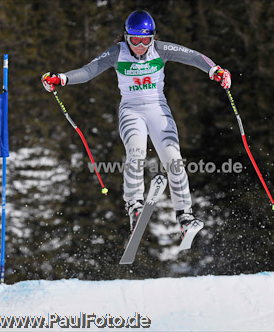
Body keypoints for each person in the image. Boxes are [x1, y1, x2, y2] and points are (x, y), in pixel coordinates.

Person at [42, 10, 231, 239]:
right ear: (126, 37)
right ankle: (134, 207)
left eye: (145, 40)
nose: (140, 46)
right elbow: (88, 71)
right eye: (134, 40)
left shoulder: (160, 50)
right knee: (136, 152)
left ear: (153, 38)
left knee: (173, 158)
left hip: (158, 109)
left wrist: (216, 70)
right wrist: (61, 78)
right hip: (131, 110)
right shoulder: (117, 53)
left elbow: (194, 56)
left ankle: (185, 216)